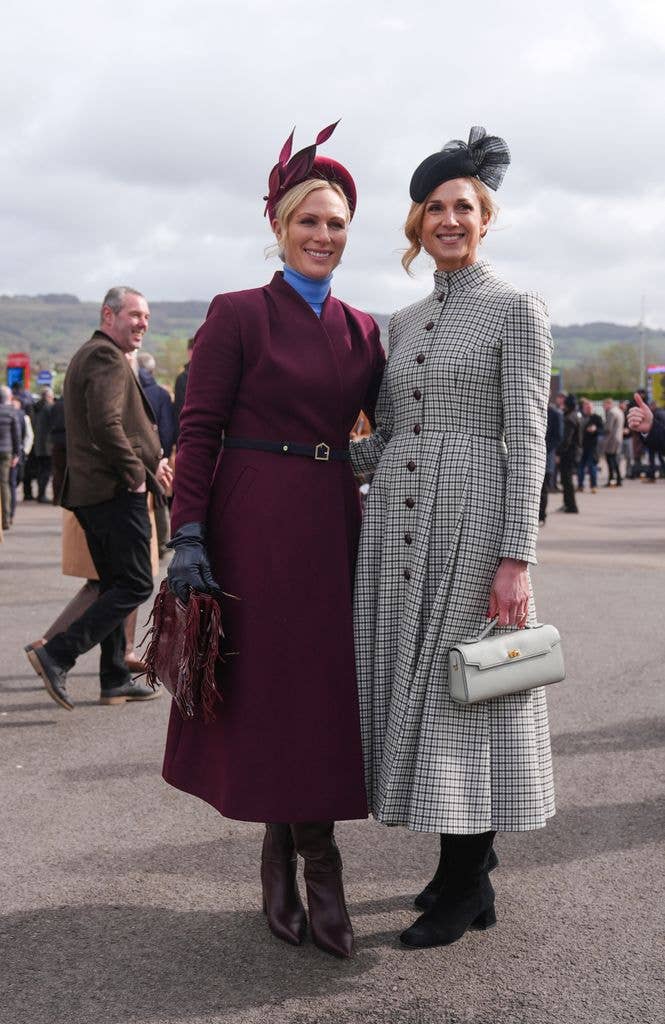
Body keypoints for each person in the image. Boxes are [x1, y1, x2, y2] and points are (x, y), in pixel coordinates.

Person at [163, 122, 385, 959]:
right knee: (269, 694)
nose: (322, 236)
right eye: (308, 222)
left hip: (332, 519)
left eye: (335, 224)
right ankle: (296, 858)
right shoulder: (237, 314)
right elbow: (198, 428)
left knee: (321, 695)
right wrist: (187, 533)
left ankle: (302, 855)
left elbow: (385, 432)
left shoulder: (366, 330)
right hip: (250, 518)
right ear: (279, 228)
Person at [350, 127, 555, 950]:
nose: (448, 219)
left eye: (462, 207)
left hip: (472, 520)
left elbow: (529, 440)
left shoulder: (517, 309)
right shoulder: (400, 320)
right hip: (396, 526)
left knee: (466, 695)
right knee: (427, 692)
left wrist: (517, 556)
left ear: (485, 217)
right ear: (415, 224)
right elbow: (389, 431)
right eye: (433, 207)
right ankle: (459, 870)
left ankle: (465, 885)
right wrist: (300, 454)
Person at [25, 286, 173, 709]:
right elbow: (107, 424)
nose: (143, 322)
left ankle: (113, 678)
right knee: (136, 583)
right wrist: (135, 475)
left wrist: (150, 460)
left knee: (113, 583)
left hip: (99, 491)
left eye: (146, 316)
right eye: (134, 315)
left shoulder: (98, 354)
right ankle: (57, 654)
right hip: (113, 491)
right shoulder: (105, 356)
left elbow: (114, 425)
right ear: (108, 315)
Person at [138, 351, 176, 555]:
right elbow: (168, 427)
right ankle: (162, 541)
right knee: (160, 496)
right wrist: (165, 452)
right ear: (152, 370)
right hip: (157, 452)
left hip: (136, 452)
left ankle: (143, 542)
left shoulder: (131, 389)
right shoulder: (161, 394)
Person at [539, 397, 563, 524]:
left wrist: (543, 448)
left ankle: (542, 515)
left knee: (544, 489)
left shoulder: (555, 414)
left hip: (547, 456)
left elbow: (558, 437)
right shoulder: (535, 410)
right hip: (535, 456)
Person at [0, 386, 20, 532]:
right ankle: (5, 520)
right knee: (4, 485)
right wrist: (17, 454)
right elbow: (16, 435)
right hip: (7, 451)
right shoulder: (12, 412)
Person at [558, 394, 581, 512]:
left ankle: (571, 505)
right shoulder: (573, 416)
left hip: (568, 453)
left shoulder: (569, 418)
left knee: (567, 480)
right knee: (566, 480)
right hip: (571, 452)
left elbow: (567, 439)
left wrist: (558, 453)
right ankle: (568, 504)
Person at [577, 397, 603, 493]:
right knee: (580, 467)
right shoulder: (580, 417)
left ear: (592, 408)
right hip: (581, 446)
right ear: (583, 408)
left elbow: (602, 430)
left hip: (592, 446)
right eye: (586, 407)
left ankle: (593, 486)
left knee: (592, 467)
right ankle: (580, 485)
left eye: (589, 407)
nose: (588, 409)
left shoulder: (597, 418)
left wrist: (595, 429)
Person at [173, 336, 195, 446]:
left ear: (189, 352)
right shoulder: (214, 376)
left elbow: (179, 409)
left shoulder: (182, 378)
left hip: (187, 436)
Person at [603, 397, 624, 487]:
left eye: (605, 405)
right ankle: (618, 479)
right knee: (615, 459)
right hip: (618, 437)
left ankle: (611, 479)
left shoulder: (611, 412)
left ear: (609, 404)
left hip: (611, 439)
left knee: (610, 459)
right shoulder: (619, 411)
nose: (604, 407)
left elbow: (608, 428)